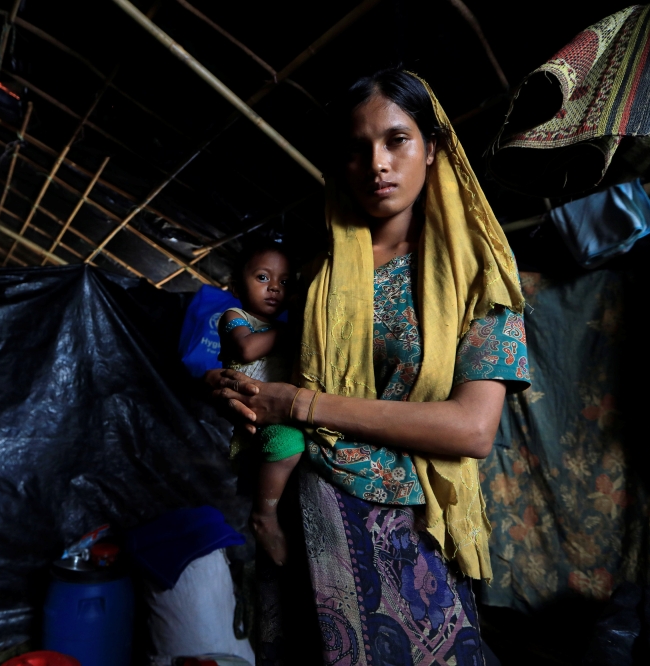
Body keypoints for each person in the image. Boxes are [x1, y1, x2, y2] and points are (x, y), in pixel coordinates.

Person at [208, 68, 529, 664]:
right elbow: (282, 371)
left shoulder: (477, 277)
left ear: (432, 149)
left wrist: (300, 405)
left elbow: (471, 429)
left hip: (409, 530)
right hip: (306, 521)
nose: (376, 163)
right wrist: (241, 396)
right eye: (357, 149)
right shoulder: (318, 277)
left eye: (396, 139)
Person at [218, 239, 305, 567]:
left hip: (279, 410)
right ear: (236, 285)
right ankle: (264, 515)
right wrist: (290, 329)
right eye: (262, 278)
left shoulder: (282, 329)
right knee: (290, 442)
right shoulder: (234, 317)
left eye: (284, 282)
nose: (274, 289)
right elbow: (247, 350)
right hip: (254, 416)